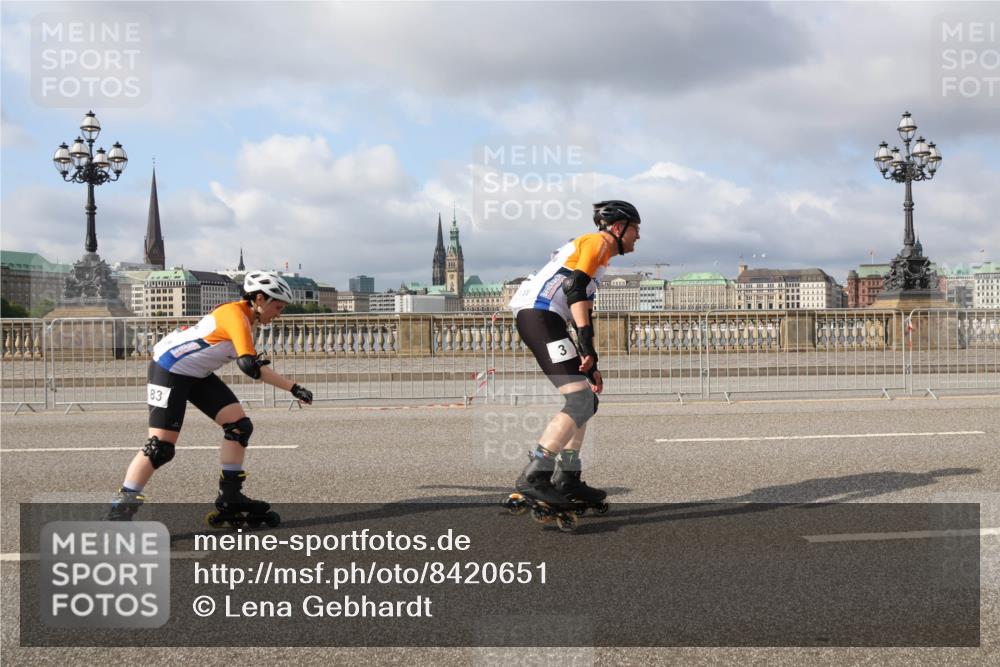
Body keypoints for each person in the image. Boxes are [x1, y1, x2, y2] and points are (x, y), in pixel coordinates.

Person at [107, 270, 314, 522]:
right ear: (260, 299)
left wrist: (293, 388)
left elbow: (250, 363)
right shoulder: (235, 316)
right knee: (160, 447)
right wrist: (294, 388)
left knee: (239, 427)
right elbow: (249, 366)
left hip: (196, 373)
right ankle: (120, 511)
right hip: (169, 369)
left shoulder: (249, 317)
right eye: (278, 307)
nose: (279, 314)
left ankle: (230, 497)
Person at [506, 200, 641, 512]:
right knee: (580, 401)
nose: (638, 236)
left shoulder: (599, 256)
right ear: (618, 228)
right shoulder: (598, 241)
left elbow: (583, 305)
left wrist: (588, 359)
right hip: (541, 317)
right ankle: (536, 475)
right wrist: (587, 346)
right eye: (635, 229)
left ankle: (568, 476)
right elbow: (574, 288)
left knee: (585, 400)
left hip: (546, 319)